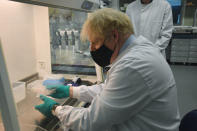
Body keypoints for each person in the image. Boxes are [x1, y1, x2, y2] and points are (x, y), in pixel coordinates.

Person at [35, 8, 180, 131]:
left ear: (114, 36)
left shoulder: (132, 66)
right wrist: (71, 91)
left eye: (95, 42)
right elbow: (112, 89)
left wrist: (56, 109)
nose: (92, 49)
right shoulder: (138, 49)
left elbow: (91, 121)